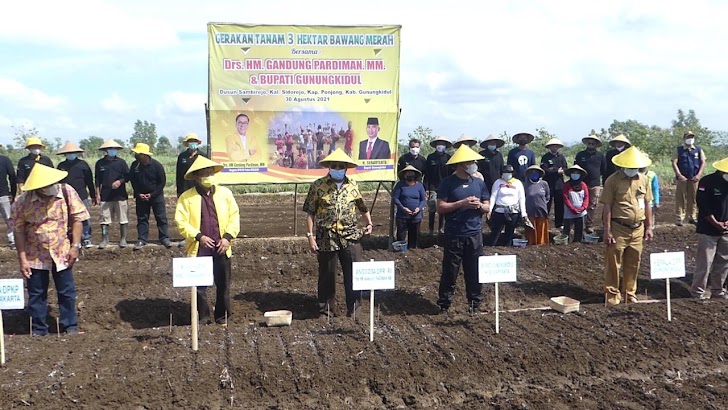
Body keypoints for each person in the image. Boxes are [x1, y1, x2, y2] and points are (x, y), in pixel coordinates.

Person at [9, 163, 90, 336]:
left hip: (63, 253)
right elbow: (18, 230)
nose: (49, 188)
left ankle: (70, 326)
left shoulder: (66, 192)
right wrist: (22, 259)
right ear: (37, 188)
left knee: (67, 291)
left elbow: (77, 219)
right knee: (37, 293)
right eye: (45, 186)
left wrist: (75, 246)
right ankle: (39, 329)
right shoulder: (23, 201)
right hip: (34, 255)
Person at [303, 148, 373, 318]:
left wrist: (369, 223)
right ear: (329, 167)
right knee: (327, 275)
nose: (337, 168)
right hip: (327, 237)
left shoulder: (353, 186)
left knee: (354, 274)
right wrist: (310, 237)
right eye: (334, 166)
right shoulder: (318, 186)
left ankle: (355, 309)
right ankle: (326, 310)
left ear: (346, 168)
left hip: (350, 236)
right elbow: (310, 213)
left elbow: (362, 207)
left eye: (341, 166)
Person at [175, 156, 240, 325]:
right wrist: (198, 236)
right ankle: (202, 317)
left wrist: (227, 238)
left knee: (223, 285)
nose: (208, 176)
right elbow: (181, 222)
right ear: (196, 177)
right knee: (199, 287)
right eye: (204, 173)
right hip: (199, 248)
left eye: (210, 172)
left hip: (221, 247)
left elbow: (234, 217)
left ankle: (222, 316)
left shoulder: (225, 194)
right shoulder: (186, 198)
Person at [436, 145, 490, 313]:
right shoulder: (447, 183)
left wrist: (479, 205)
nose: (474, 164)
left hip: (474, 233)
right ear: (461, 164)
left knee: (474, 270)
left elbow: (487, 206)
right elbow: (440, 207)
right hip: (454, 233)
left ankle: (474, 304)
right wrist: (461, 203)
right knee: (450, 271)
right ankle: (444, 305)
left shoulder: (479, 183)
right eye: (471, 162)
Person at [601, 146, 654, 305]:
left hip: (637, 228)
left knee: (634, 262)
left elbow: (647, 204)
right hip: (619, 227)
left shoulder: (644, 180)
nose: (633, 170)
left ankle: (629, 293)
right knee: (613, 263)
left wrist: (649, 226)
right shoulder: (613, 180)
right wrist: (607, 230)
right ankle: (612, 294)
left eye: (635, 167)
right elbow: (607, 206)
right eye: (630, 167)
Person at [690, 157, 728, 299]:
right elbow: (703, 205)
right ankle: (697, 292)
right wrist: (715, 223)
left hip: (726, 230)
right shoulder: (707, 181)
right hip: (707, 230)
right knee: (705, 263)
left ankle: (718, 290)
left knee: (723, 262)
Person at [128, 143, 171, 250]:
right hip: (140, 197)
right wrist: (138, 193)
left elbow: (162, 182)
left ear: (144, 154)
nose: (136, 155)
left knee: (161, 217)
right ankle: (142, 239)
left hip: (156, 196)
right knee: (142, 218)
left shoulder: (157, 165)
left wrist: (152, 194)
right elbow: (133, 181)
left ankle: (164, 238)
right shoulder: (134, 165)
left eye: (138, 153)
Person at [56, 141, 96, 248]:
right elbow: (57, 182)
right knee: (67, 218)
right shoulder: (61, 166)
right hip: (65, 196)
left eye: (73, 152)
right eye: (69, 153)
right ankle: (72, 239)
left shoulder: (83, 164)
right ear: (65, 154)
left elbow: (89, 181)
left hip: (81, 195)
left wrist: (93, 195)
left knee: (84, 218)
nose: (71, 154)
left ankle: (86, 238)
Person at [95, 139, 130, 249]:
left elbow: (128, 176)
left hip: (120, 195)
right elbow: (97, 180)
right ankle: (105, 239)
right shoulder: (100, 163)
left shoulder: (121, 162)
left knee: (123, 217)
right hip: (105, 195)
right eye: (110, 149)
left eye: (114, 149)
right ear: (106, 150)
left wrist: (120, 181)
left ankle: (123, 239)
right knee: (104, 218)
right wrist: (97, 194)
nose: (112, 151)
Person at [672, 131, 706, 226]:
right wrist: (679, 175)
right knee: (680, 198)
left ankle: (692, 217)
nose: (690, 139)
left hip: (694, 178)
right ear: (684, 138)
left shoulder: (698, 150)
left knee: (694, 198)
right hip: (682, 178)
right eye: (688, 137)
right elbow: (674, 162)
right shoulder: (678, 150)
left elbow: (703, 162)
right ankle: (679, 218)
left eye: (692, 137)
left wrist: (699, 175)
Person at [488, 165, 528, 246]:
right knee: (496, 231)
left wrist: (524, 213)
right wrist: (489, 210)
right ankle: (492, 247)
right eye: (505, 172)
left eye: (509, 173)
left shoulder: (518, 183)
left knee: (510, 232)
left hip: (513, 211)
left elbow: (521, 198)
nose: (507, 174)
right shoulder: (498, 182)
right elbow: (493, 196)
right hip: (499, 211)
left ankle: (507, 248)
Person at [575, 135, 607, 233]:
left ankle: (589, 225)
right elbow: (576, 168)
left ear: (596, 145)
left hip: (595, 183)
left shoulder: (600, 156)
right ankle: (579, 224)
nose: (591, 145)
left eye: (593, 143)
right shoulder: (580, 155)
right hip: (582, 183)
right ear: (586, 144)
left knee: (592, 204)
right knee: (580, 203)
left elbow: (603, 169)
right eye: (589, 143)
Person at [424, 136, 452, 235]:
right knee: (432, 207)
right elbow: (427, 174)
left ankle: (440, 229)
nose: (440, 146)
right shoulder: (431, 157)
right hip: (433, 186)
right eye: (438, 144)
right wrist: (426, 188)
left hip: (445, 187)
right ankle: (431, 230)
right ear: (435, 145)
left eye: (442, 144)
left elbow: (451, 174)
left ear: (445, 146)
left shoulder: (449, 158)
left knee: (442, 208)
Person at [393, 165, 426, 249]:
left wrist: (418, 208)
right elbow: (395, 198)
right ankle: (401, 250)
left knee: (414, 235)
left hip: (416, 215)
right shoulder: (400, 185)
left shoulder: (419, 186)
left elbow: (423, 200)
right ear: (404, 175)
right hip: (402, 215)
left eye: (411, 173)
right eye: (408, 173)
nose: (409, 175)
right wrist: (403, 208)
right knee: (401, 234)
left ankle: (413, 249)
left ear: (415, 175)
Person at [540, 138, 567, 228]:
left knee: (559, 204)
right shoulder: (545, 157)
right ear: (549, 147)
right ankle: (544, 222)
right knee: (547, 203)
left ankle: (559, 223)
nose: (554, 148)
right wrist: (556, 171)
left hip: (559, 184)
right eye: (552, 146)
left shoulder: (561, 157)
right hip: (548, 184)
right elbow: (545, 170)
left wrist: (555, 170)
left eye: (556, 146)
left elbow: (565, 169)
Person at [562, 165, 589, 243]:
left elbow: (586, 197)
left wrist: (583, 208)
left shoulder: (583, 185)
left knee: (580, 228)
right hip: (569, 211)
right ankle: (566, 242)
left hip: (581, 212)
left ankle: (578, 242)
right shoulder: (567, 185)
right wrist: (572, 209)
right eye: (573, 173)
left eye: (577, 173)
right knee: (567, 228)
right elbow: (565, 197)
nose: (575, 174)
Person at [524, 165, 550, 246]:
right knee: (531, 230)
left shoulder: (544, 184)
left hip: (542, 211)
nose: (534, 174)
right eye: (532, 173)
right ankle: (532, 245)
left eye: (536, 173)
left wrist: (541, 204)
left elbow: (547, 197)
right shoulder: (525, 185)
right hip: (530, 211)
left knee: (541, 230)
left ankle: (542, 245)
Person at [176, 133, 207, 198]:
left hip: (199, 186)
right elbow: (179, 175)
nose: (193, 143)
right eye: (191, 141)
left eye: (194, 141)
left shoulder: (203, 156)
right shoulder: (182, 156)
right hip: (185, 186)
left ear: (197, 143)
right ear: (187, 143)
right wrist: (179, 191)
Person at [0, 151, 17, 249]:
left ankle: (13, 241)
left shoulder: (5, 160)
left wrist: (12, 193)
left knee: (9, 218)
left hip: (3, 194)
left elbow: (12, 177)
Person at [640, 160, 660, 230]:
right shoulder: (635, 174)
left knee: (650, 220)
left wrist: (656, 201)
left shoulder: (652, 175)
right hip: (638, 201)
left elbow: (655, 189)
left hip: (649, 201)